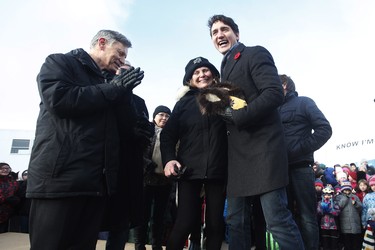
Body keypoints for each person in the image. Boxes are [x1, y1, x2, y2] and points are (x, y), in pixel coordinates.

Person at [26, 29, 144, 250]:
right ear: (101, 43)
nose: (122, 60)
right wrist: (113, 88)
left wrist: (124, 93)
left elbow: (125, 129)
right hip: (60, 182)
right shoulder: (60, 63)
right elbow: (59, 100)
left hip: (96, 185)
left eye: (125, 57)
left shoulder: (111, 82)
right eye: (119, 53)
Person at [207, 14, 304, 249]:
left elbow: (273, 93)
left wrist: (239, 116)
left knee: (277, 220)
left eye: (225, 29)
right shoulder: (223, 69)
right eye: (214, 32)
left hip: (264, 151)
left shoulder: (254, 53)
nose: (219, 34)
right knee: (236, 222)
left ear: (236, 34)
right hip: (238, 159)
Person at [161, 57, 227, 250]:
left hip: (219, 170)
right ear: (189, 80)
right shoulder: (182, 104)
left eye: (205, 70)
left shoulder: (225, 99)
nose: (201, 75)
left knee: (216, 225)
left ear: (214, 75)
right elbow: (168, 136)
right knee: (184, 223)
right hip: (188, 171)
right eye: (195, 73)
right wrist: (169, 159)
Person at [102, 60, 154, 250]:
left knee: (121, 223)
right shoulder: (102, 93)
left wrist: (143, 133)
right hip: (104, 167)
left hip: (129, 168)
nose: (124, 74)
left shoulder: (139, 102)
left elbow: (144, 130)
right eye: (120, 70)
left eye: (128, 71)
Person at [278, 74, 332, 250]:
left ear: (284, 84)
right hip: (278, 172)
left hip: (301, 168)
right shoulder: (271, 109)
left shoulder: (304, 102)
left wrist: (299, 150)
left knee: (307, 217)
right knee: (282, 217)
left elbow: (325, 129)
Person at [133, 105, 172, 250]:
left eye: (167, 116)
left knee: (160, 217)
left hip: (165, 181)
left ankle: (157, 245)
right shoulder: (147, 130)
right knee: (142, 215)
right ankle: (139, 245)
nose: (164, 118)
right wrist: (147, 164)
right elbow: (138, 150)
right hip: (145, 179)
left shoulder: (172, 134)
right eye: (161, 114)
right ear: (154, 117)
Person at [335, 180, 362, 250]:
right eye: (345, 190)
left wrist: (355, 203)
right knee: (347, 244)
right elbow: (339, 206)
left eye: (348, 190)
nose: (347, 192)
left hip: (355, 223)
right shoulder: (339, 197)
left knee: (356, 243)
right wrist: (345, 198)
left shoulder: (355, 197)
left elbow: (360, 207)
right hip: (345, 225)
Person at [317, 185, 340, 250]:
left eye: (329, 195)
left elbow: (338, 212)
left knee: (334, 242)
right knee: (325, 241)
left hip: (333, 226)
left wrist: (330, 210)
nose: (327, 196)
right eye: (326, 195)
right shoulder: (320, 203)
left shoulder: (334, 203)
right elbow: (318, 212)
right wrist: (323, 210)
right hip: (323, 225)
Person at [0, 162, 20, 233]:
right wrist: (4, 199)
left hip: (6, 214)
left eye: (7, 168)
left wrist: (16, 200)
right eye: (2, 168)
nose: (5, 170)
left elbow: (17, 193)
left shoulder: (14, 183)